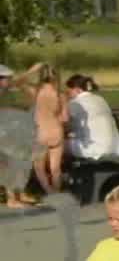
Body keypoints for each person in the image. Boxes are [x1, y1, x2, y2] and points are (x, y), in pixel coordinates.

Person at [22, 63, 66, 193]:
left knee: (39, 168)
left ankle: (49, 192)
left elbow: (16, 82)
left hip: (40, 133)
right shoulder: (60, 94)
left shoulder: (35, 92)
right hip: (56, 132)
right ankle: (56, 193)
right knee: (55, 169)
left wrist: (31, 71)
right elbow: (65, 118)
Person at [65, 75, 119, 162]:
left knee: (57, 144)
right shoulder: (101, 99)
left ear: (76, 89)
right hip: (115, 146)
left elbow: (65, 125)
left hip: (96, 149)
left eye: (69, 92)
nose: (68, 95)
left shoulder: (75, 103)